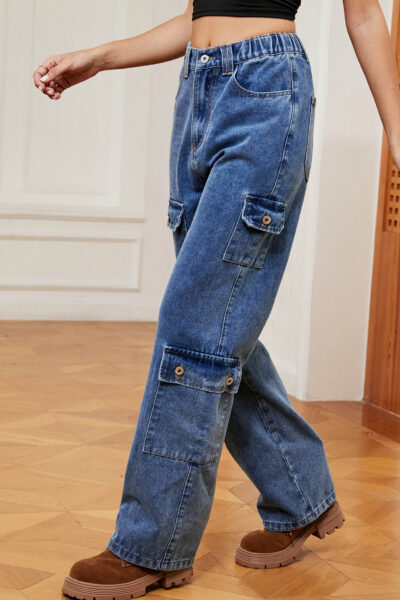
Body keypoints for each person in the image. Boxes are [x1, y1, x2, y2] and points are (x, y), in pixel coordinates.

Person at [32, 1, 400, 599]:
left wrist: (397, 129)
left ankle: (152, 544)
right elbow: (199, 14)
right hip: (197, 93)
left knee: (196, 326)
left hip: (267, 96)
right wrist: (101, 57)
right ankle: (300, 492)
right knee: (220, 323)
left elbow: (363, 15)